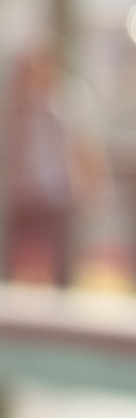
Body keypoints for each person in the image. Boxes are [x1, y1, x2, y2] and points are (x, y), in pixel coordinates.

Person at [3, 43, 102, 286]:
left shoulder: (69, 98)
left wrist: (92, 185)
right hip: (24, 193)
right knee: (19, 263)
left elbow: (83, 143)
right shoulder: (16, 102)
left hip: (58, 192)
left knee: (60, 263)